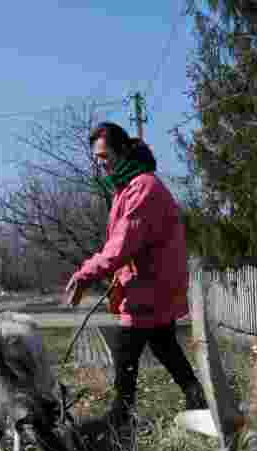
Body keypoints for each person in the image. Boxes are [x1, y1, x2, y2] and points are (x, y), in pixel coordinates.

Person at [63, 122, 207, 432]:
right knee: (164, 345)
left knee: (126, 350)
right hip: (150, 282)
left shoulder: (142, 188)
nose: (101, 164)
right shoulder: (128, 187)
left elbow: (120, 246)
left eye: (104, 156)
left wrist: (85, 274)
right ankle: (196, 396)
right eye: (97, 158)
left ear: (122, 150)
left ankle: (121, 414)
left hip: (150, 284)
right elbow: (122, 245)